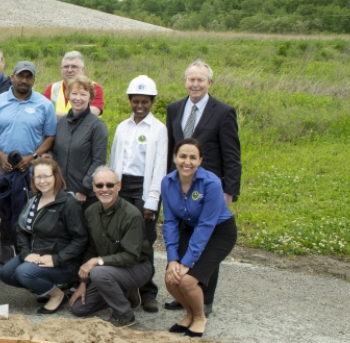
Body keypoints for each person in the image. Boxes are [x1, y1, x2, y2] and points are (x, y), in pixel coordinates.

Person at [164, 60, 241, 316]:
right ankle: (183, 292)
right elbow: (171, 149)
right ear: (185, 82)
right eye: (191, 79)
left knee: (207, 240)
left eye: (201, 80)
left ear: (210, 83)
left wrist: (229, 190)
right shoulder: (174, 108)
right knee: (186, 236)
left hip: (211, 188)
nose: (195, 84)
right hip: (181, 184)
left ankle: (205, 299)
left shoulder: (223, 112)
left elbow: (232, 154)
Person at [161, 139, 237, 337]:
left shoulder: (211, 183)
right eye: (183, 156)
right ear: (175, 158)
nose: (187, 162)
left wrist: (187, 261)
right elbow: (169, 222)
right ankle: (190, 314)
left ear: (200, 160)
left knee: (187, 281)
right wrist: (173, 260)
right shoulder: (167, 182)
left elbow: (206, 225)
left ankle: (200, 317)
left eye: (193, 157)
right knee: (171, 279)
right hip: (190, 229)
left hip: (219, 233)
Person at [0, 61, 56, 254]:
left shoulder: (44, 105)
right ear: (12, 77)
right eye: (20, 76)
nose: (24, 80)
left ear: (33, 80)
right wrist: (0, 155)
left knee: (31, 210)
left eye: (28, 76)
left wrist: (32, 157)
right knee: (1, 210)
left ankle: (27, 252)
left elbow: (50, 137)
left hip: (31, 169)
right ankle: (3, 254)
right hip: (2, 166)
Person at [109, 75, 168, 312]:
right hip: (122, 187)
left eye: (145, 101)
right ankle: (125, 288)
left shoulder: (158, 129)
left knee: (144, 242)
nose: (140, 106)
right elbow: (114, 161)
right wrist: (112, 191)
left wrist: (151, 201)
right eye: (136, 101)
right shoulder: (122, 127)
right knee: (120, 238)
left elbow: (159, 166)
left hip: (144, 189)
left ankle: (148, 291)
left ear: (152, 101)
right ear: (130, 100)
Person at [68, 167, 154, 327]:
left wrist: (97, 261)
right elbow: (91, 248)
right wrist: (83, 283)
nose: (104, 189)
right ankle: (124, 294)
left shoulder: (132, 214)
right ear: (93, 187)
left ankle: (125, 315)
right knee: (79, 308)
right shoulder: (90, 212)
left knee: (99, 273)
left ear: (119, 186)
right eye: (99, 185)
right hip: (109, 269)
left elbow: (131, 256)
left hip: (137, 267)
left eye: (110, 185)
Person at [0, 157, 87, 314]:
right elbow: (21, 230)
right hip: (36, 256)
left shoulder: (68, 203)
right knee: (6, 274)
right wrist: (26, 254)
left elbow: (81, 239)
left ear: (56, 176)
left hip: (64, 263)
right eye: (38, 176)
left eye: (46, 176)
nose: (42, 180)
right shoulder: (33, 201)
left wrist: (56, 259)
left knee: (23, 272)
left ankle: (57, 295)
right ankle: (44, 287)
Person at [52, 75, 109, 208]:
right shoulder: (61, 123)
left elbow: (98, 162)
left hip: (84, 195)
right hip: (61, 191)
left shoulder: (97, 125)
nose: (78, 98)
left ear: (90, 97)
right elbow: (56, 154)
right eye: (74, 93)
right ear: (68, 95)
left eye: (83, 94)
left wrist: (84, 189)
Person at [44, 50, 105, 116]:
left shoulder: (94, 87)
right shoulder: (52, 88)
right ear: (61, 69)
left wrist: (55, 116)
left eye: (74, 67)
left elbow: (92, 114)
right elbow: (42, 112)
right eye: (66, 67)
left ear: (83, 69)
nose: (69, 70)